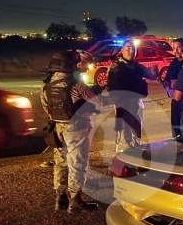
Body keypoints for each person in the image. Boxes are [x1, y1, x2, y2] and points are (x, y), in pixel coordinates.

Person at [41, 49, 100, 213]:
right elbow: (97, 102)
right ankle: (75, 201)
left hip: (56, 130)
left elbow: (47, 109)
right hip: (76, 129)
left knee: (60, 163)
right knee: (77, 164)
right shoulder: (76, 85)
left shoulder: (46, 86)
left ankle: (60, 198)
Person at [106, 40, 156, 152]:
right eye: (128, 48)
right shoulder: (116, 67)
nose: (131, 50)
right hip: (123, 105)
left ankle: (135, 152)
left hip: (137, 103)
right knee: (124, 133)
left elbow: (151, 75)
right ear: (122, 50)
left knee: (137, 130)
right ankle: (124, 158)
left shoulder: (136, 66)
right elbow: (111, 89)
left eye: (133, 48)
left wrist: (154, 72)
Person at [159, 38, 183, 137]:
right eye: (174, 48)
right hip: (175, 100)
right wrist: (166, 83)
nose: (175, 51)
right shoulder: (174, 63)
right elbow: (167, 80)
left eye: (178, 47)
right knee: (175, 127)